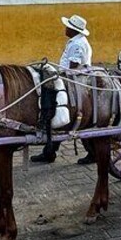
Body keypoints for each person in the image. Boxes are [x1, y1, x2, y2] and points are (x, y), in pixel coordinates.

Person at [31, 14, 95, 165]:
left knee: (52, 104)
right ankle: (50, 150)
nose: (65, 29)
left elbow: (73, 68)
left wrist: (56, 75)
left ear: (73, 29)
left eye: (67, 27)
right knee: (58, 112)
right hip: (69, 78)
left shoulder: (77, 44)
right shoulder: (75, 41)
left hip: (71, 81)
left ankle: (50, 149)